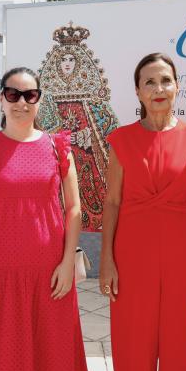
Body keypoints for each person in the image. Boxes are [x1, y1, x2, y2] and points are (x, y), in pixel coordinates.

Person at [0, 67, 89, 371]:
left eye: (30, 95)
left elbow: (74, 208)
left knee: (53, 354)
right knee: (2, 359)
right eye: (13, 94)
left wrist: (67, 263)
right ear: (1, 98)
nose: (21, 102)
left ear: (39, 100)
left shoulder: (58, 148)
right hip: (0, 276)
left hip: (51, 275)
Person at [99, 53, 186, 371]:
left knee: (178, 340)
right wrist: (107, 259)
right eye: (149, 82)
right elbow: (112, 202)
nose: (158, 89)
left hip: (182, 254)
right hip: (132, 254)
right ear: (138, 91)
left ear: (177, 86)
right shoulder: (121, 140)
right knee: (132, 339)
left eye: (165, 80)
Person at [37, 23, 119, 231]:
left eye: (71, 59)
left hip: (88, 158)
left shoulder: (93, 99)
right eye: (63, 60)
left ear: (80, 61)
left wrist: (89, 138)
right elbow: (38, 132)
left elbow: (110, 131)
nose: (67, 64)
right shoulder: (46, 99)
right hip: (57, 160)